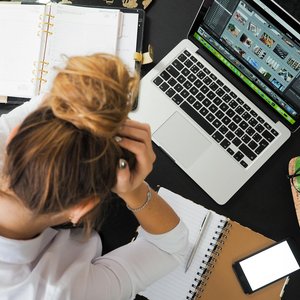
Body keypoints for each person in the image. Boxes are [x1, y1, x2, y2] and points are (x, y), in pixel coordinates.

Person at [0, 54, 189, 299]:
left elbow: (52, 101)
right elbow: (170, 248)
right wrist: (134, 190)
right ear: (81, 209)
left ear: (13, 136)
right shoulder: (62, 293)